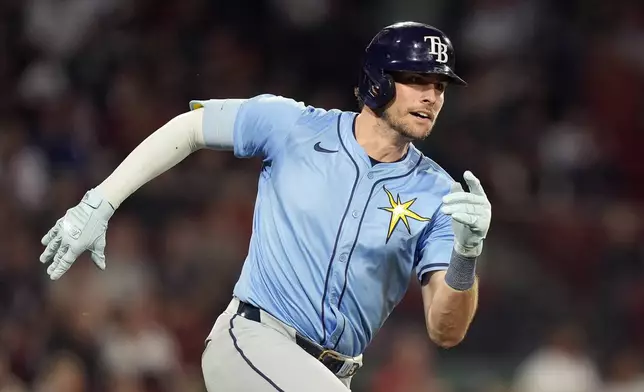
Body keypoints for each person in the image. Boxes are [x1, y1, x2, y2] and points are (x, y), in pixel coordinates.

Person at [39, 21, 491, 391]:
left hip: (332, 376)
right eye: (416, 80)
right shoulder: (295, 126)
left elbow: (445, 330)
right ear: (377, 81)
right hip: (254, 340)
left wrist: (466, 257)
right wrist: (102, 199)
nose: (432, 96)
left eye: (439, 85)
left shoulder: (441, 194)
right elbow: (191, 128)